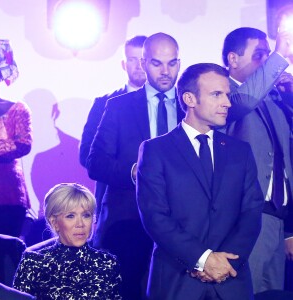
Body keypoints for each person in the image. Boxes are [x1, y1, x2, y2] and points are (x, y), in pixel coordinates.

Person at [136, 63, 264, 300]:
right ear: (189, 99)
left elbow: (252, 212)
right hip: (178, 281)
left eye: (226, 94)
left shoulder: (240, 151)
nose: (227, 102)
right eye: (217, 94)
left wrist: (223, 262)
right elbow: (155, 217)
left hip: (231, 279)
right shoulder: (156, 151)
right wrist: (203, 259)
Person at [86, 32, 185, 300]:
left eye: (172, 63)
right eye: (157, 63)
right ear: (143, 63)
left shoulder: (191, 105)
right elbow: (95, 162)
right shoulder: (119, 107)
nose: (166, 71)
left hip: (183, 223)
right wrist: (134, 172)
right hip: (129, 220)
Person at [222, 27, 293, 293]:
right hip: (247, 217)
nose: (266, 62)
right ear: (233, 59)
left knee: (273, 294)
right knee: (243, 292)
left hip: (276, 218)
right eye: (260, 55)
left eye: (268, 56)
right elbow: (242, 103)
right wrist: (280, 56)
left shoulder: (273, 99)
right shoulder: (224, 93)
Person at [13, 183, 122, 300]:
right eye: (71, 216)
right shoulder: (33, 262)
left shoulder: (107, 263)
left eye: (86, 215)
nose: (80, 224)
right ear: (54, 222)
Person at [79, 35, 147, 222]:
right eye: (132, 59)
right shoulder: (104, 103)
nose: (138, 65)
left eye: (142, 59)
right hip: (116, 205)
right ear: (123, 64)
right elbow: (87, 154)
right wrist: (130, 170)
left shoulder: (172, 104)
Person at [0, 37, 32, 238]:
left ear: (1, 72)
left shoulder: (17, 108)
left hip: (7, 195)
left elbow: (23, 144)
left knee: (4, 262)